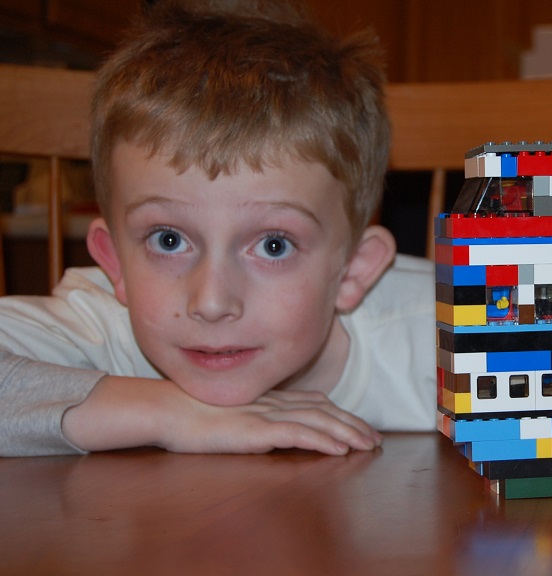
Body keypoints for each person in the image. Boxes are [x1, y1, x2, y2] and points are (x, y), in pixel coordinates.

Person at [0, 0, 436, 457]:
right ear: (115, 262)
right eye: (168, 240)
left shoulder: (443, 332)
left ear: (352, 271)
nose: (211, 302)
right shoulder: (102, 327)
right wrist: (168, 413)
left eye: (273, 246)